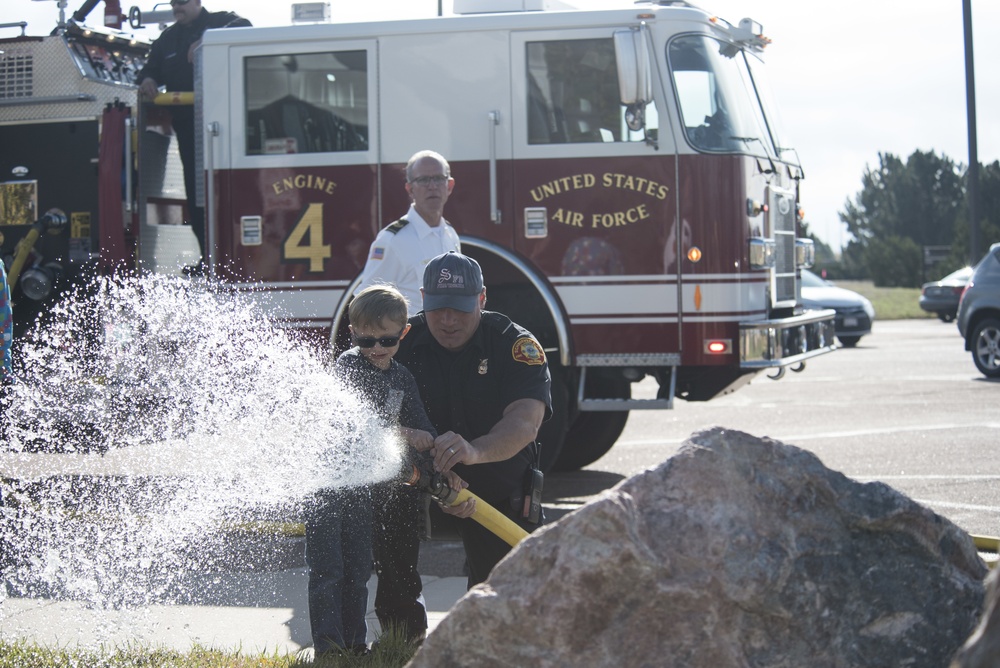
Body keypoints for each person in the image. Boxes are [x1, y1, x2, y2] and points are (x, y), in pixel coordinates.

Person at [396, 251, 552, 588]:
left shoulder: (513, 344)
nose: (448, 320)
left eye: (460, 309)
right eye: (438, 308)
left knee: (507, 592)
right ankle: (401, 634)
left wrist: (474, 452)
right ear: (423, 299)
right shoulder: (401, 343)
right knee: (387, 557)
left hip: (495, 490)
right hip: (420, 483)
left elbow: (526, 423)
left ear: (482, 298)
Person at [307, 284, 443, 655]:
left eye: (387, 340)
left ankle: (354, 644)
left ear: (404, 333)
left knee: (357, 571)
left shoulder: (401, 377)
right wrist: (405, 432)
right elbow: (359, 425)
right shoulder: (348, 366)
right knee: (328, 572)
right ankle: (329, 648)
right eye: (368, 341)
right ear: (353, 333)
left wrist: (437, 457)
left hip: (361, 489)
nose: (377, 349)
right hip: (328, 487)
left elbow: (424, 428)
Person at [136, 0, 251, 274]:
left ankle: (238, 257)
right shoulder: (167, 39)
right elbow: (149, 69)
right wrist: (147, 80)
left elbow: (245, 28)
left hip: (229, 128)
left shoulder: (221, 22)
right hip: (190, 130)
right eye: (174, 3)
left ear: (198, 2)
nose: (177, 7)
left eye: (183, 2)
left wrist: (207, 42)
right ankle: (208, 258)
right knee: (197, 197)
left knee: (231, 192)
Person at [353, 150, 460, 315]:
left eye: (439, 179)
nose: (432, 186)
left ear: (450, 186)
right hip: (410, 338)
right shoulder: (392, 240)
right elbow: (367, 301)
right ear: (410, 189)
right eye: (423, 180)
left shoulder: (450, 235)